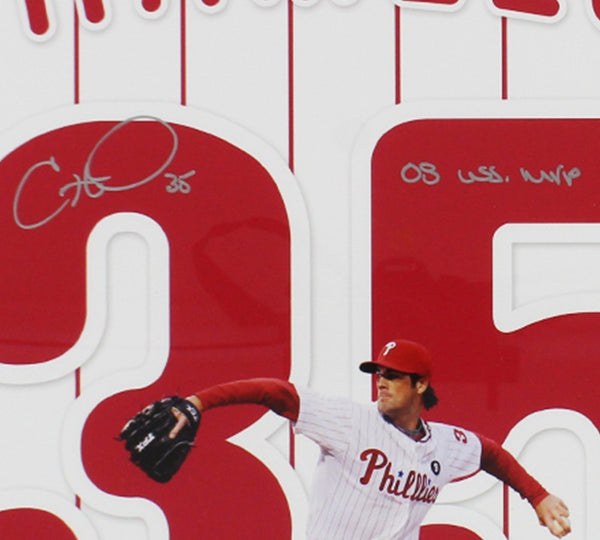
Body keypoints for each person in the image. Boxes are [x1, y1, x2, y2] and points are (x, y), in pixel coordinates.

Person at [169, 338, 571, 539]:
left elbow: (489, 454)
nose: (382, 382)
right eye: (379, 374)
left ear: (420, 384)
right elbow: (276, 393)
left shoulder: (444, 444)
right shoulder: (351, 422)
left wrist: (537, 496)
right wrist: (199, 402)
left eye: (393, 376)